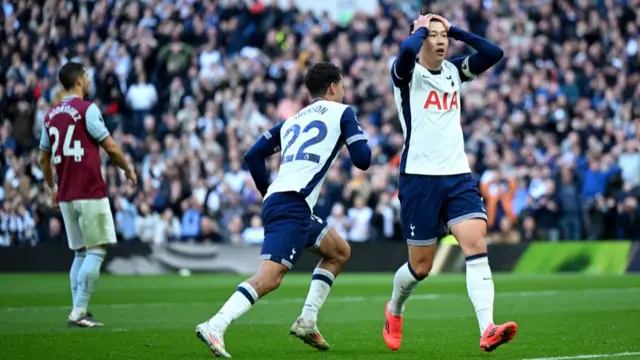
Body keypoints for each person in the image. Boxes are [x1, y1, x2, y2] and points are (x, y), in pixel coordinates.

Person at [194, 62, 371, 358]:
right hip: (291, 205)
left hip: (287, 202)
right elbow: (363, 160)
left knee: (339, 251)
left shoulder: (293, 119)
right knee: (269, 278)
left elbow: (253, 155)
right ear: (333, 88)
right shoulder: (344, 112)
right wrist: (355, 137)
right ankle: (216, 324)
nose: (344, 91)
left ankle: (307, 320)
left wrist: (267, 193)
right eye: (342, 85)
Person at [383, 11, 517, 353]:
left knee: (476, 246)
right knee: (421, 267)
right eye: (433, 35)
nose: (441, 41)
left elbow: (493, 53)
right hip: (418, 179)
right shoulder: (405, 73)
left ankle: (487, 327)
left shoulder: (454, 70)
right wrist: (420, 30)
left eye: (445, 36)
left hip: (457, 175)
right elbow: (404, 53)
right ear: (419, 37)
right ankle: (395, 307)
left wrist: (454, 29)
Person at [39, 61, 137, 327]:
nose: (90, 80)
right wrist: (128, 170)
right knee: (96, 252)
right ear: (80, 80)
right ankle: (79, 310)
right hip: (90, 190)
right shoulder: (87, 110)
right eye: (88, 76)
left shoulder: (50, 115)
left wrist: (52, 187)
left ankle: (77, 309)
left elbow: (43, 158)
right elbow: (111, 147)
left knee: (80, 254)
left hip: (67, 193)